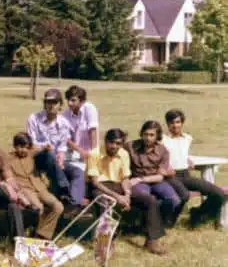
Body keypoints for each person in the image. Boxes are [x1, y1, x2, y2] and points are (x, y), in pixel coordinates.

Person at [89, 128, 171, 255]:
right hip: (100, 187)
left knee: (150, 200)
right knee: (107, 202)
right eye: (112, 143)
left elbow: (125, 178)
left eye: (118, 143)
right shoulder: (94, 153)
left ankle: (151, 241)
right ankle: (105, 243)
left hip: (119, 185)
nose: (114, 146)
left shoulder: (123, 154)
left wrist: (127, 195)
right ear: (106, 141)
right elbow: (95, 182)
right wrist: (117, 197)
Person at [126, 121, 188, 253]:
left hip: (154, 180)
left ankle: (157, 224)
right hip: (137, 182)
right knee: (147, 199)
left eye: (151, 135)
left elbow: (160, 176)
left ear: (157, 136)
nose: (148, 138)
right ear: (141, 134)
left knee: (174, 200)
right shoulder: (131, 146)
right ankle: (150, 237)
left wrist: (141, 178)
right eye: (145, 134)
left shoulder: (163, 150)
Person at [163, 109, 226, 227]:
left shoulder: (187, 138)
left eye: (177, 122)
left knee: (218, 193)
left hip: (185, 174)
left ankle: (198, 213)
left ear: (182, 123)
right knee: (183, 194)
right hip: (171, 177)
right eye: (171, 123)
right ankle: (169, 221)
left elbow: (181, 152)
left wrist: (187, 159)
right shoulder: (163, 139)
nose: (174, 125)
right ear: (167, 124)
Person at [25, 88, 84, 209]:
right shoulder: (33, 119)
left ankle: (74, 204)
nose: (51, 105)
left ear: (60, 104)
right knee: (49, 153)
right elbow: (31, 144)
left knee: (77, 171)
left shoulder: (64, 123)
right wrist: (44, 147)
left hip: (56, 161)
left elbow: (62, 146)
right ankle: (64, 188)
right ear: (44, 103)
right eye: (48, 102)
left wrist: (61, 160)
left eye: (54, 102)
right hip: (38, 157)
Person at [7, 133, 63, 240]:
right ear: (15, 146)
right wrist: (18, 192)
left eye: (27, 147)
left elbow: (42, 150)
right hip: (25, 190)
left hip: (40, 188)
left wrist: (46, 148)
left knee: (58, 206)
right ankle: (38, 236)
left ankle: (42, 235)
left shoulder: (33, 153)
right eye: (21, 147)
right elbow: (9, 178)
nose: (24, 150)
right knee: (39, 208)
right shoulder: (8, 159)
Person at [63, 85, 99, 204]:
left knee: (89, 167)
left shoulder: (90, 108)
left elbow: (92, 131)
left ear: (82, 101)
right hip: (75, 150)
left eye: (73, 100)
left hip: (90, 148)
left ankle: (78, 197)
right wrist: (79, 151)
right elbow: (66, 138)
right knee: (70, 166)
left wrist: (92, 152)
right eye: (68, 100)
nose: (69, 103)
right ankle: (75, 197)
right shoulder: (66, 114)